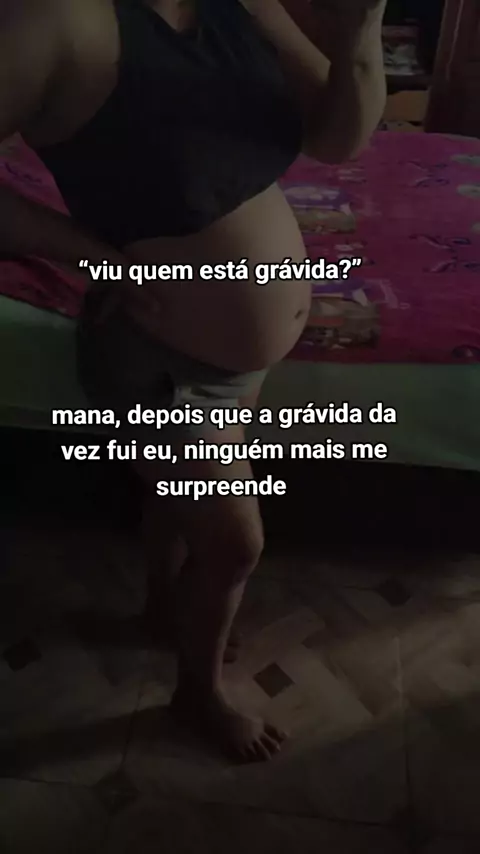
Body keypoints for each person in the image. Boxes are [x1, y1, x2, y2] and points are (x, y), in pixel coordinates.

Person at [0, 0, 387, 761]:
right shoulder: (57, 21)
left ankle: (159, 609)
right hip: (161, 356)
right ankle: (197, 695)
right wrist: (86, 252)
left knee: (176, 498)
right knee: (234, 546)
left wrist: (362, 31)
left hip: (232, 357)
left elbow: (337, 138)